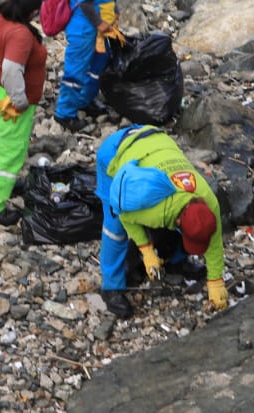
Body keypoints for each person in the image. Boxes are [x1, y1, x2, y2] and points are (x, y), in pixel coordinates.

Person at [94, 124, 227, 319]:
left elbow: (214, 240)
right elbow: (124, 214)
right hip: (116, 153)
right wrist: (146, 249)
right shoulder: (156, 210)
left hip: (157, 142)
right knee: (115, 227)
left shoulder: (209, 201)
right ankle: (111, 288)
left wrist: (216, 281)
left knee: (186, 227)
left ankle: (177, 262)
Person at [0, 0, 49, 226]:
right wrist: (19, 101)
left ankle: (1, 187)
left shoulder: (0, 15)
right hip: (9, 102)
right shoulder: (20, 33)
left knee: (6, 146)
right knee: (8, 153)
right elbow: (10, 70)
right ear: (31, 11)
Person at [52, 0, 121, 132]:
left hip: (100, 26)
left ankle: (85, 100)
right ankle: (65, 113)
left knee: (98, 64)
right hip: (85, 27)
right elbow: (85, 1)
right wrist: (100, 24)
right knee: (77, 68)